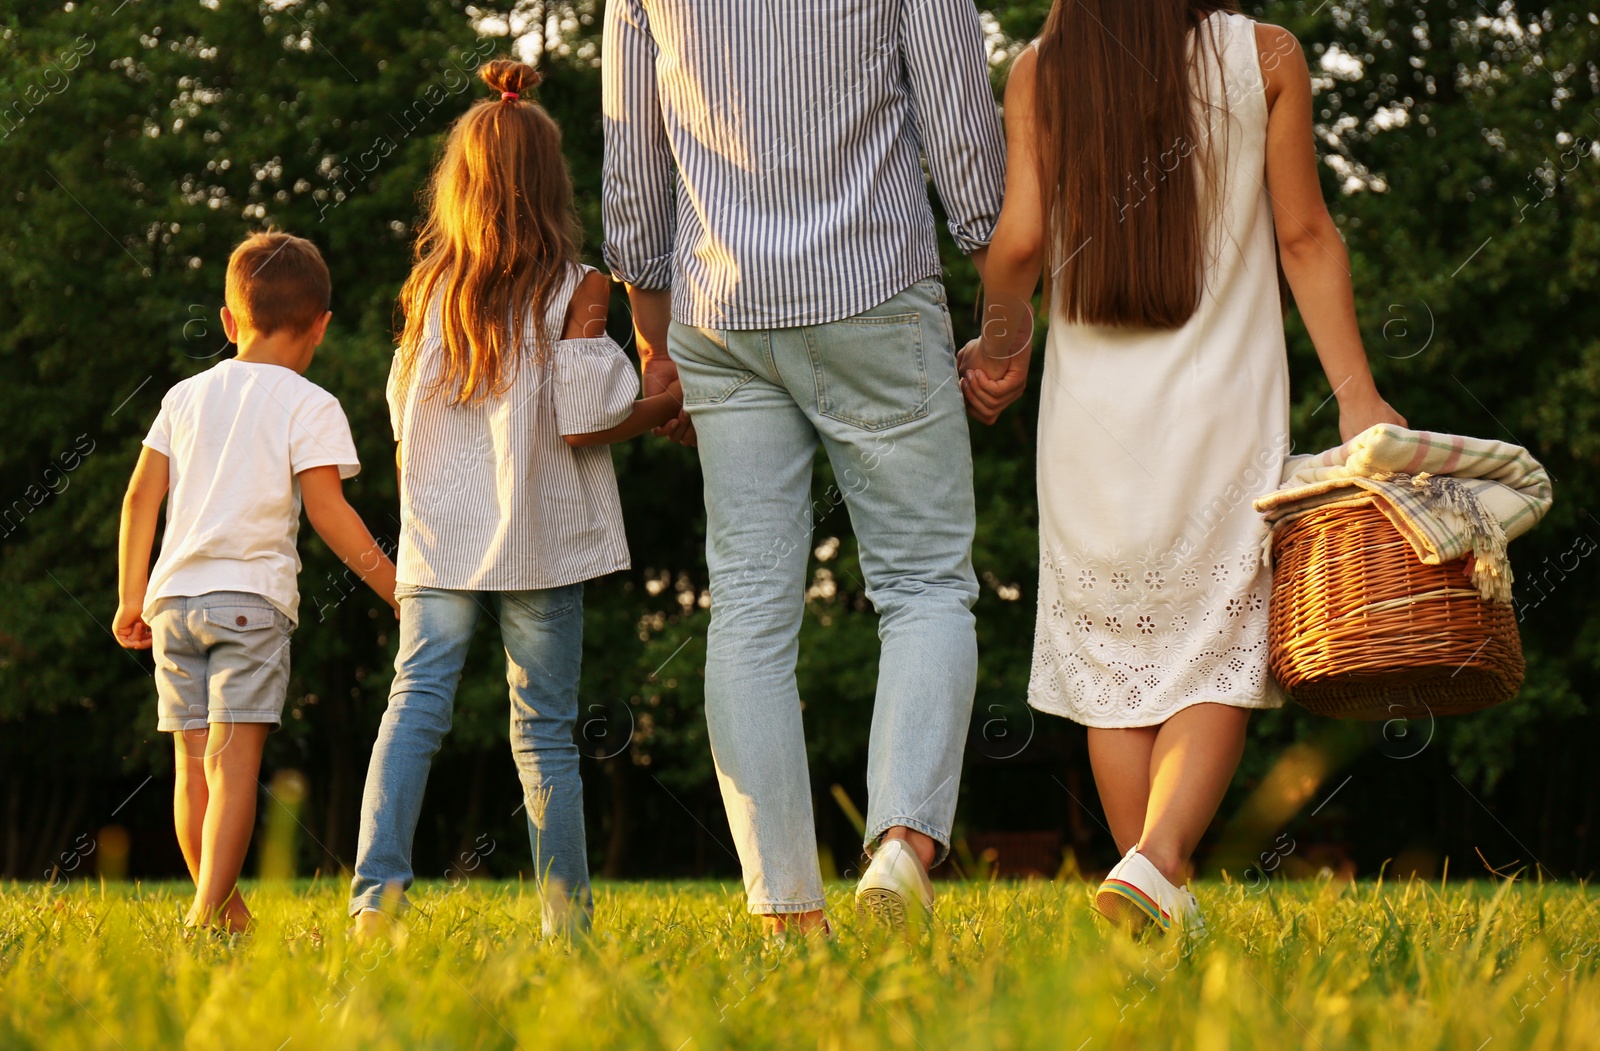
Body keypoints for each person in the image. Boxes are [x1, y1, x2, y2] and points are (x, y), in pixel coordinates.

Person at [964, 0, 1406, 935]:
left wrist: (1002, 341)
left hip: (1088, 427)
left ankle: (1155, 892)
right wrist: (1358, 394)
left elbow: (1018, 246)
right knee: (1214, 648)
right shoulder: (1267, 55)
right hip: (1224, 413)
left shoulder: (1041, 69)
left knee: (1113, 660)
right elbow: (1306, 240)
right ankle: (1158, 866)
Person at [603, 0, 1006, 932]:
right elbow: (957, 118)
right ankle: (900, 847)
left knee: (746, 609)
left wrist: (652, 337)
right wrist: (1001, 302)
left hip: (717, 305)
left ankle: (787, 912)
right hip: (875, 283)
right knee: (925, 584)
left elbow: (633, 168)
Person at [349, 59, 684, 940]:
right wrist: (666, 403)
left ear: (458, 186)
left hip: (437, 536)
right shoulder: (580, 288)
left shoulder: (429, 292)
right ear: (551, 182)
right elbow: (585, 420)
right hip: (539, 536)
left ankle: (373, 904)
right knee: (543, 732)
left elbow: (396, 411)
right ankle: (564, 927)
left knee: (413, 708)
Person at [114, 231, 398, 934]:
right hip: (250, 604)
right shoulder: (309, 403)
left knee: (192, 763)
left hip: (173, 602)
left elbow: (140, 498)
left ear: (228, 321)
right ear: (322, 325)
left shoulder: (184, 395)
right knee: (234, 763)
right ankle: (205, 912)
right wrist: (397, 588)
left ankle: (226, 914)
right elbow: (330, 512)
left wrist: (129, 594)